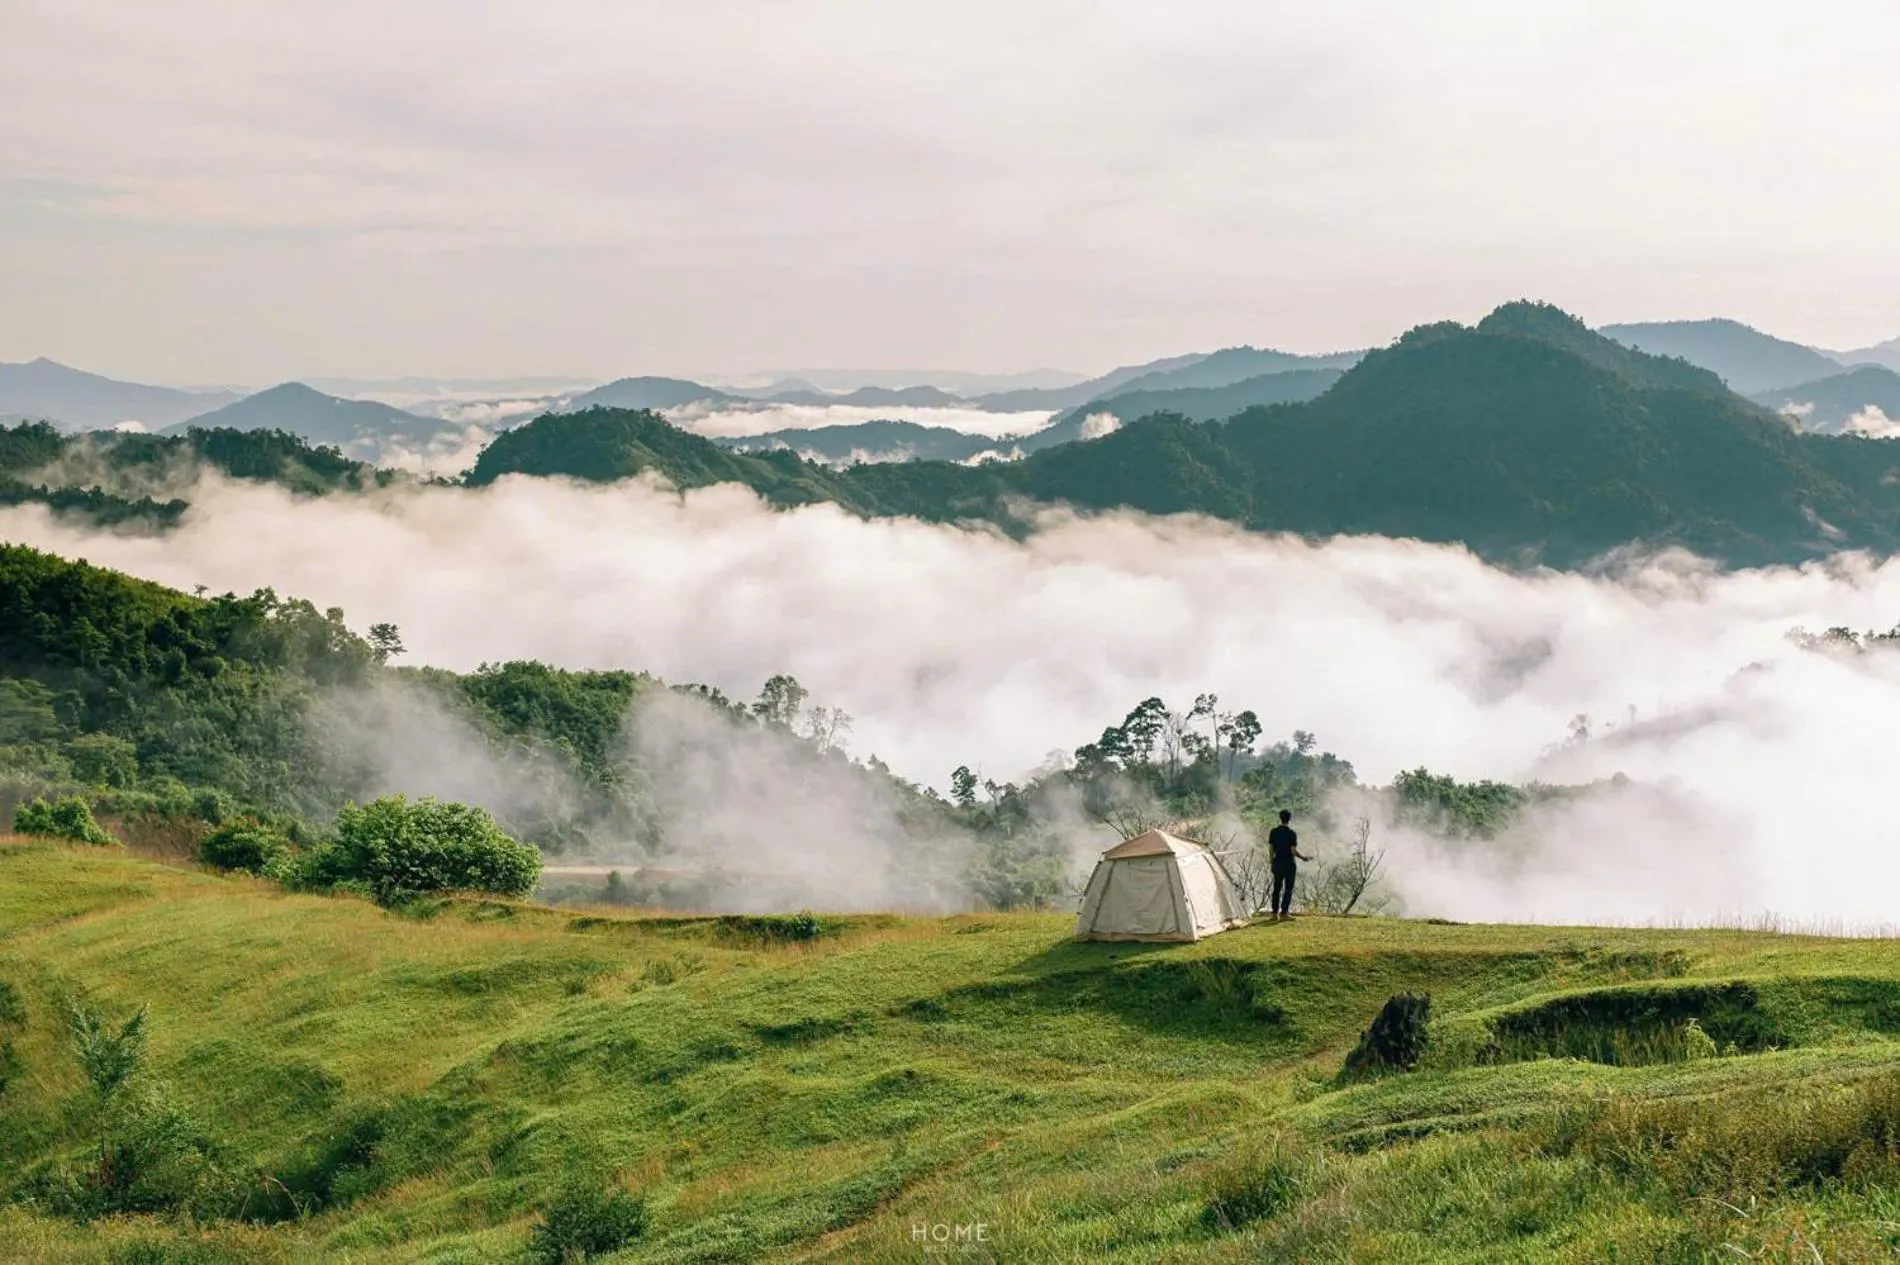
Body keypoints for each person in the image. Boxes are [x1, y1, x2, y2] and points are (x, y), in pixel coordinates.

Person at [1266, 809, 1309, 920]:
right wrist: (1303, 858)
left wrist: (1271, 861)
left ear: (1280, 818)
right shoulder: (1291, 834)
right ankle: (1284, 913)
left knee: (1276, 888)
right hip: (1289, 864)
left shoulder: (1273, 832)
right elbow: (1293, 851)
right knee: (1288, 889)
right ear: (1289, 819)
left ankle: (1274, 913)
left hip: (1278, 862)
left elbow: (1271, 849)